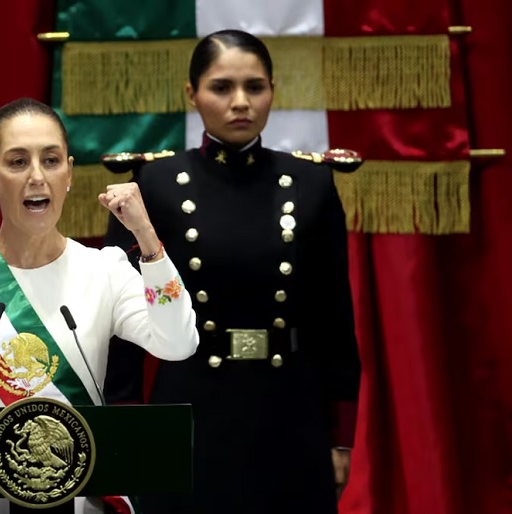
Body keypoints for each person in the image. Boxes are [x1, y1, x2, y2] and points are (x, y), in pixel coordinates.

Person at [103, 30, 361, 513]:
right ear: (192, 94)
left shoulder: (311, 183)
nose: (240, 102)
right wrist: (125, 430)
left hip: (291, 411)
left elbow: (334, 322)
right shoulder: (154, 185)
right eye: (221, 87)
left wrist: (340, 437)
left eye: (254, 87)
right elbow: (121, 330)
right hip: (189, 410)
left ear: (272, 91)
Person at [0, 98, 200, 514]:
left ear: (69, 173)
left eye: (50, 161)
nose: (36, 177)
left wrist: (147, 239)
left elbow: (179, 342)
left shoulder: (104, 269)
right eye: (17, 162)